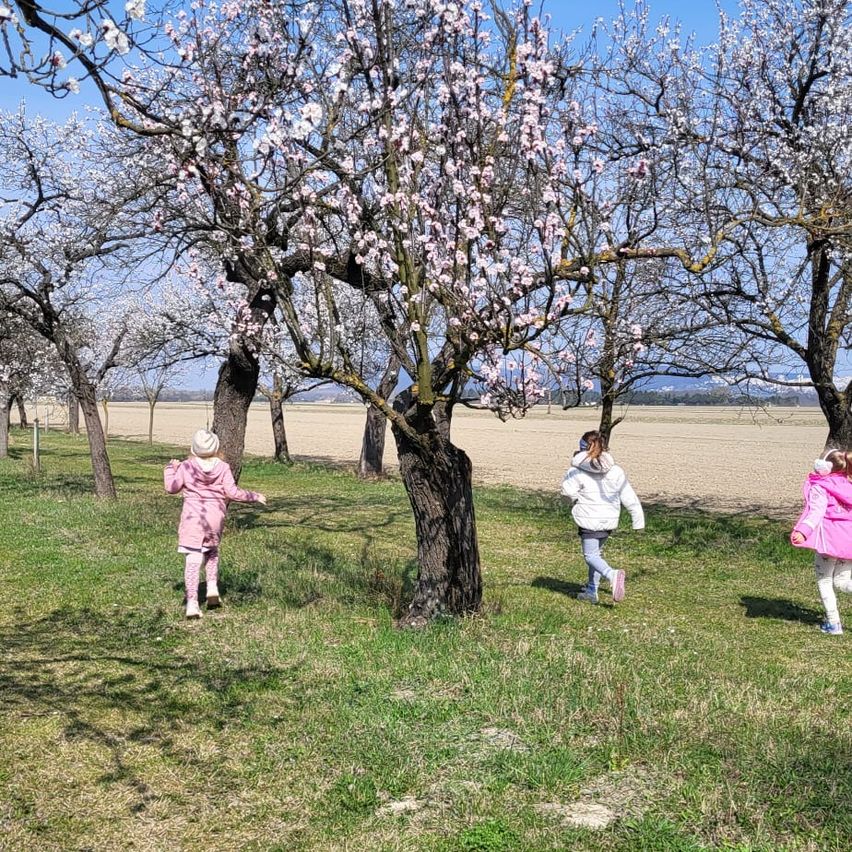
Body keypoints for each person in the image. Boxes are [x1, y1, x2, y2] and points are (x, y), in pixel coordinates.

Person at [165, 429, 267, 619]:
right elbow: (233, 492)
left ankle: (193, 603)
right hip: (215, 517)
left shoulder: (186, 467)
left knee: (193, 559)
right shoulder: (223, 467)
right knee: (211, 552)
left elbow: (171, 488)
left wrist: (171, 468)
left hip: (192, 519)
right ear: (217, 447)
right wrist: (254, 496)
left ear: (193, 448)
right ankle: (212, 586)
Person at [560, 430, 644, 604]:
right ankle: (591, 591)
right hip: (609, 521)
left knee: (590, 556)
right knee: (596, 554)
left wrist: (574, 501)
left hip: (589, 519)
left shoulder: (575, 471)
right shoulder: (616, 471)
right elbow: (628, 495)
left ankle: (612, 575)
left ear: (582, 448)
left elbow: (567, 493)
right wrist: (638, 519)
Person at [791, 448, 852, 635]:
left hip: (829, 544)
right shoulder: (848, 485)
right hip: (848, 542)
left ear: (823, 466)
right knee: (842, 582)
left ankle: (833, 624)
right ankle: (833, 623)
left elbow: (816, 511)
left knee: (824, 580)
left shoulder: (820, 487)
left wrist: (803, 530)